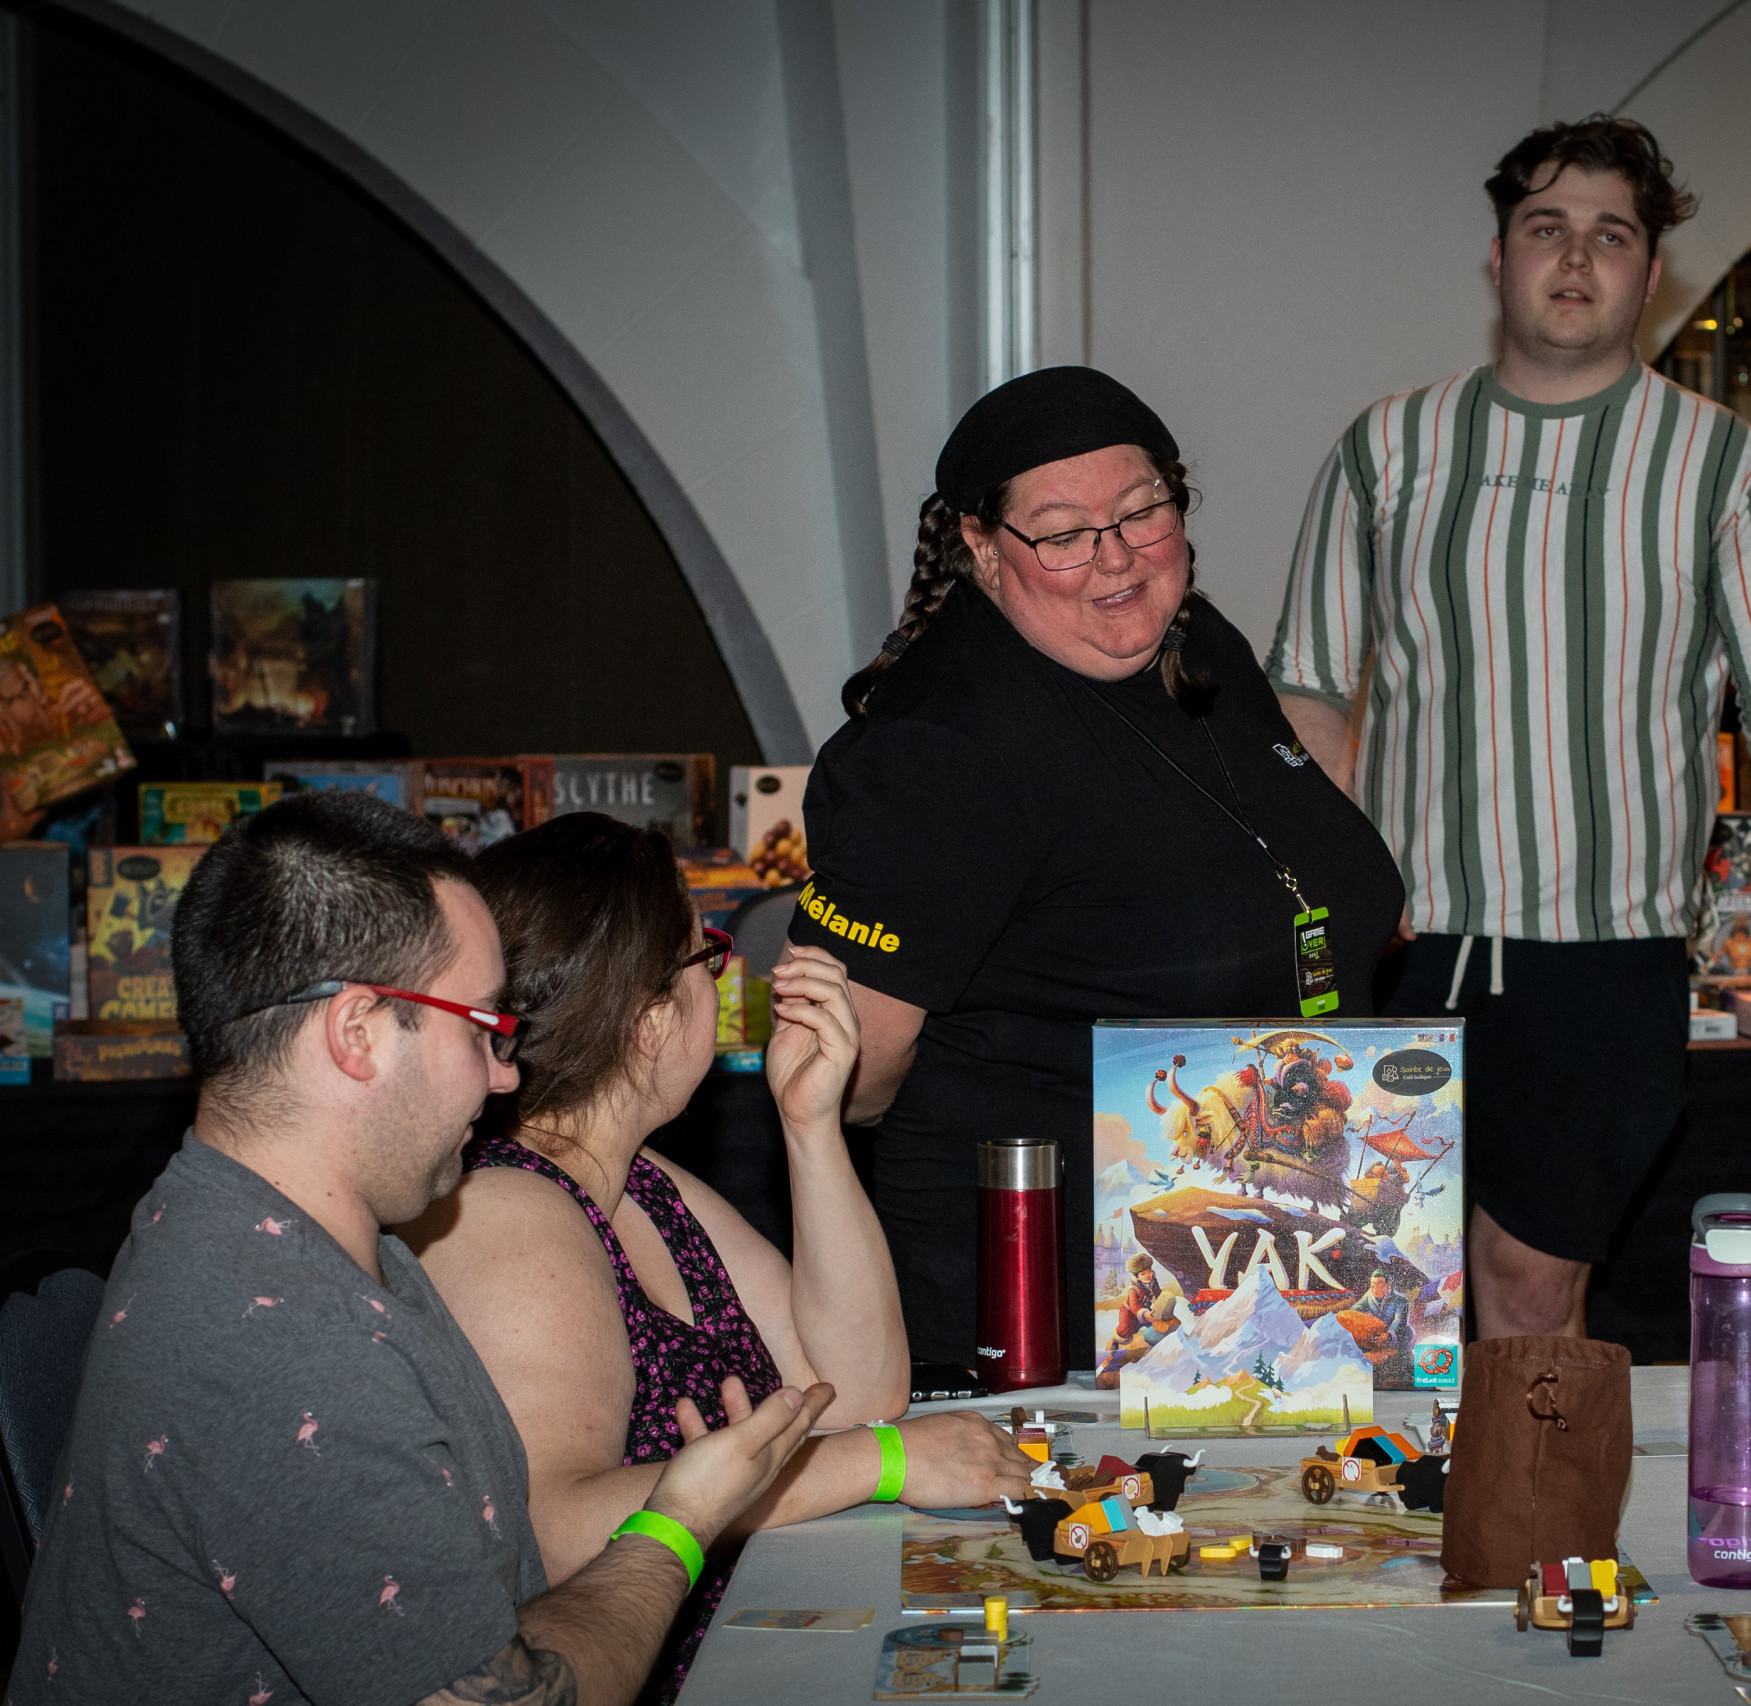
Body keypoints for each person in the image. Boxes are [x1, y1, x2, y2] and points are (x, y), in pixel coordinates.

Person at [1268, 115, 1751, 1338]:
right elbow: (1308, 694)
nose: (1573, 257)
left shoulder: (1719, 463)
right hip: (1405, 946)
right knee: (1372, 1298)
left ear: (1649, 273)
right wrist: (1321, 905)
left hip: (1605, 959)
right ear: (1497, 255)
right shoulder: (1386, 448)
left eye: (1609, 235)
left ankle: (1523, 1479)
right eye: (1544, 227)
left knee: (1530, 1279)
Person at [8, 792, 826, 1706]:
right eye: (480, 1027)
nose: (506, 1074)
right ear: (357, 1034)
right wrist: (680, 1519)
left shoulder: (262, 1225)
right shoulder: (283, 1341)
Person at [789, 365, 1405, 1365]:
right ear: (981, 546)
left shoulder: (1196, 646)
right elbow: (848, 1076)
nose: (1114, 558)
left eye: (1141, 513)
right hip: (1050, 1292)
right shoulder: (939, 748)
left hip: (1263, 1255)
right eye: (1063, 534)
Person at [397, 813, 1028, 1699]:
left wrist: (810, 1124)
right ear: (649, 1018)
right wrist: (879, 1462)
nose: (724, 979)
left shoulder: (640, 1180)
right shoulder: (511, 1211)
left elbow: (859, 1388)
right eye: (709, 954)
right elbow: (555, 1532)